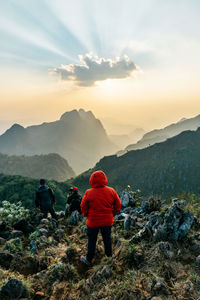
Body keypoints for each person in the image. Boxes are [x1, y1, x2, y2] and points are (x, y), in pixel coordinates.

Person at [80, 170, 121, 267]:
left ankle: (89, 260)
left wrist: (86, 215)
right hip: (107, 221)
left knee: (92, 241)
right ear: (104, 179)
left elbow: (83, 206)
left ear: (91, 180)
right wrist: (112, 213)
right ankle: (109, 258)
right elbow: (118, 206)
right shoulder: (111, 191)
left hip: (93, 222)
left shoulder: (88, 192)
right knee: (107, 239)